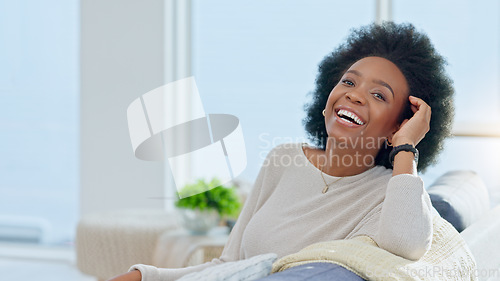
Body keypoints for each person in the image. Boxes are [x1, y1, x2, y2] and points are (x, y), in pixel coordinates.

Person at [109, 21, 454, 281]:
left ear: (399, 124)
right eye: (348, 81)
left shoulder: (393, 191)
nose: (355, 94)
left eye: (379, 95)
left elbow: (406, 245)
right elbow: (227, 267)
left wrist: (406, 148)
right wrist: (145, 275)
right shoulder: (282, 160)